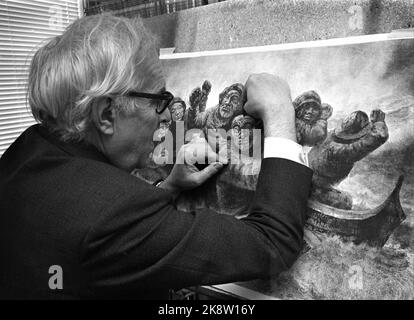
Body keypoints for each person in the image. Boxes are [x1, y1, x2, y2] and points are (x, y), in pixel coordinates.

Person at [0, 14, 312, 299]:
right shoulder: (113, 215)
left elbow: (94, 233)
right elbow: (271, 243)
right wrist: (279, 111)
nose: (164, 118)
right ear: (106, 113)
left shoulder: (28, 149)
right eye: (157, 100)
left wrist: (169, 188)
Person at [308, 109, 388, 209]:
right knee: (346, 201)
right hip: (313, 188)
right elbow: (373, 140)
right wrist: (379, 123)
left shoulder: (328, 135)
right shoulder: (341, 151)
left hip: (305, 178)